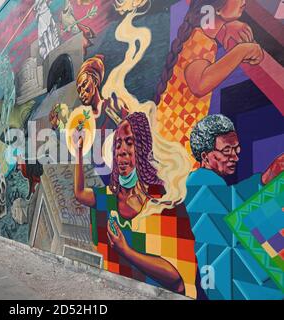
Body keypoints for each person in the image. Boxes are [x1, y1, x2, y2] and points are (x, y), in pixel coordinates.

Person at [74, 112, 204, 299]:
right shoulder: (110, 197)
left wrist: (126, 251)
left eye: (129, 142)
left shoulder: (162, 203)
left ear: (143, 148)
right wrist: (79, 151)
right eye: (117, 145)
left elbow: (177, 279)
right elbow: (79, 194)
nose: (121, 150)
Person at [154, 0, 264, 166]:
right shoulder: (199, 41)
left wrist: (226, 26)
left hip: (172, 143)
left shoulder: (198, 35)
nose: (244, 1)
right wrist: (243, 50)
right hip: (175, 146)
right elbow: (200, 84)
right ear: (217, 8)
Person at [186, 114, 283, 299]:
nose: (235, 157)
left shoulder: (214, 185)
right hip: (226, 282)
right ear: (205, 156)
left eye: (236, 150)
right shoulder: (198, 183)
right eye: (227, 150)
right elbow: (230, 207)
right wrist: (265, 179)